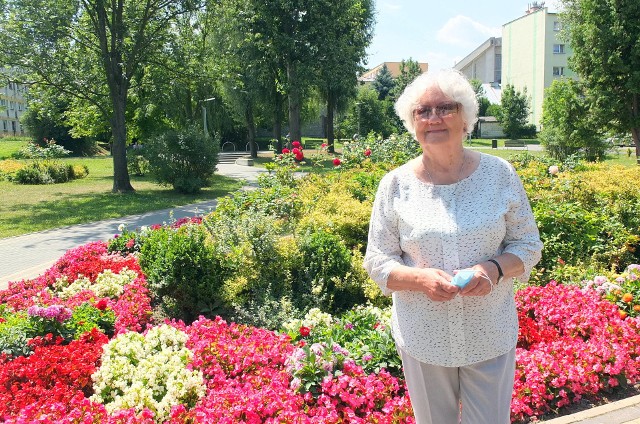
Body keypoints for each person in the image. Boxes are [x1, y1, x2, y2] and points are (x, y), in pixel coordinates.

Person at [363, 69, 543, 424]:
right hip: (423, 339)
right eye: (422, 111)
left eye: (445, 107)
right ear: (411, 123)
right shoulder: (395, 185)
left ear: (466, 118)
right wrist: (420, 280)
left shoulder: (500, 174)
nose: (433, 118)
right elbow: (377, 260)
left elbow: (528, 245)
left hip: (488, 333)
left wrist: (492, 269)